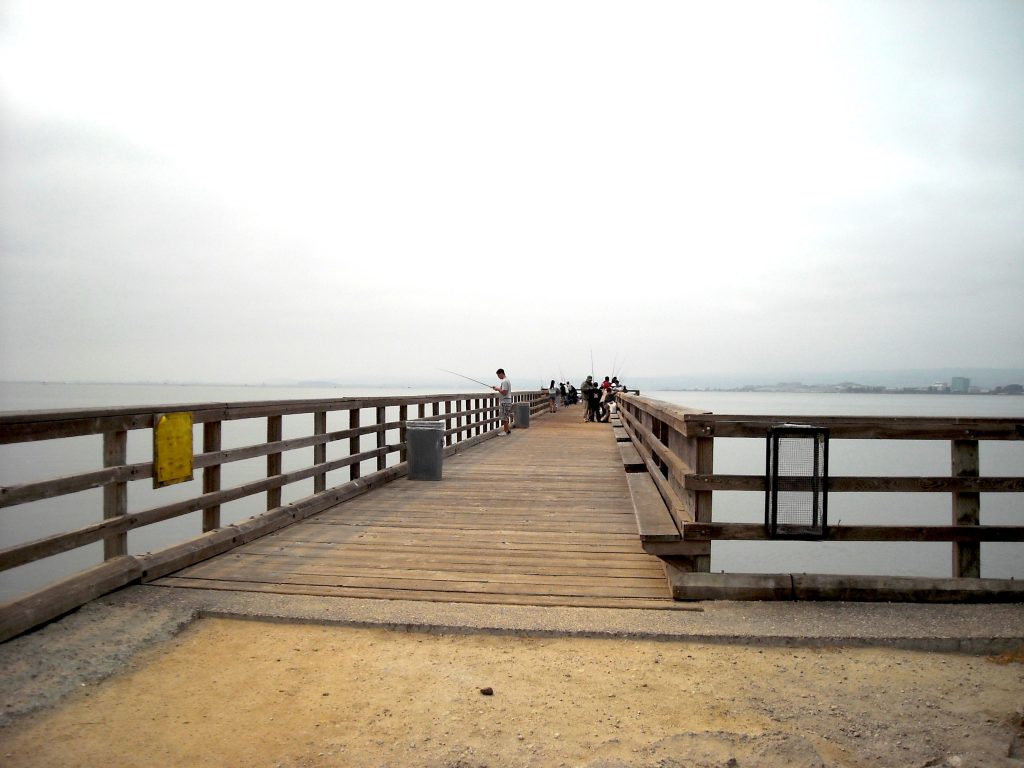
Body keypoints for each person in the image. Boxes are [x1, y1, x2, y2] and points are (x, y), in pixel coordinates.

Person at [493, 368, 512, 435]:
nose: (498, 377)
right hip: (507, 401)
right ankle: (507, 430)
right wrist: (498, 388)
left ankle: (506, 431)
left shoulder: (504, 381)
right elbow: (504, 391)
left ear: (501, 374)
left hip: (505, 402)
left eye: (498, 375)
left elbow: (504, 392)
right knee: (506, 416)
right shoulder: (507, 380)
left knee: (504, 417)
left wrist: (497, 389)